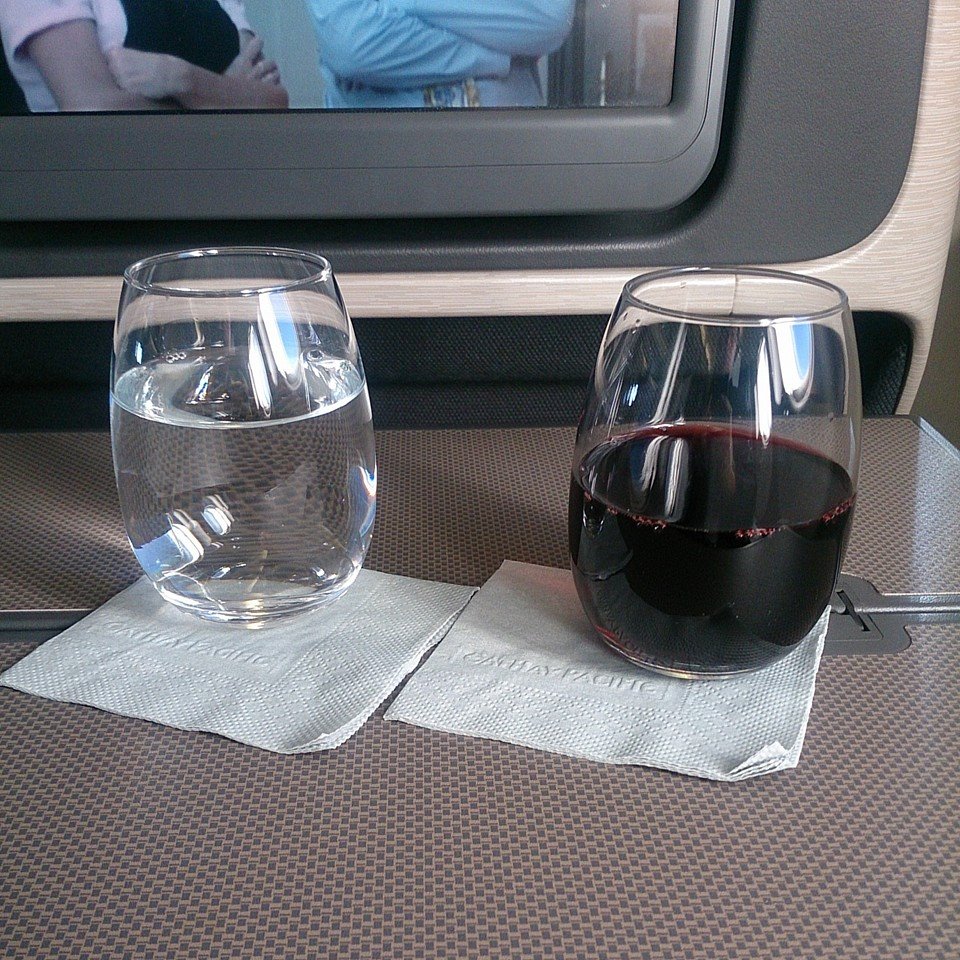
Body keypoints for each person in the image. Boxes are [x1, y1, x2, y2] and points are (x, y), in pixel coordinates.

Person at [0, 0, 288, 113]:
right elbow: (92, 111)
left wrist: (181, 78)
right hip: (121, 205)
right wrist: (224, 93)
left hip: (234, 198)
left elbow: (274, 102)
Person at [307, 0, 575, 108]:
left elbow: (548, 19)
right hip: (378, 173)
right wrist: (495, 57)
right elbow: (355, 44)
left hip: (511, 164)